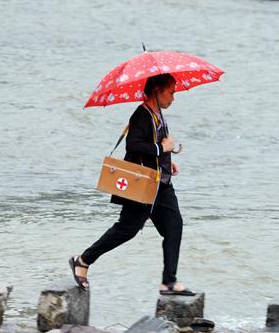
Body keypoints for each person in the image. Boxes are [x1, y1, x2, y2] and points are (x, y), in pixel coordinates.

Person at [70, 73, 195, 295]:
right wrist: (162, 150)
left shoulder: (158, 115)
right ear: (157, 90)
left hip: (161, 183)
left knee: (174, 226)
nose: (174, 98)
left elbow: (156, 146)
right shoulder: (142, 115)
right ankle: (83, 260)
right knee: (127, 229)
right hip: (143, 186)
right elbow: (134, 146)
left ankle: (168, 282)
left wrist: (168, 160)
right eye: (171, 92)